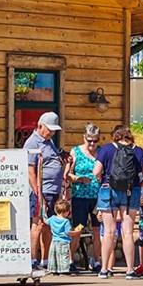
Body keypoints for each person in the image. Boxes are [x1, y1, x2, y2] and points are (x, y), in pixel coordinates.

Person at [97, 125, 143, 278]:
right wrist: (137, 186)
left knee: (109, 232)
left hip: (108, 190)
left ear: (116, 136)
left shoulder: (106, 149)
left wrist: (104, 181)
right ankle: (130, 270)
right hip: (130, 192)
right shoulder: (138, 151)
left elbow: (96, 171)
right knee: (127, 232)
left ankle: (104, 269)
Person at [24, 112, 64, 271]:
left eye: (54, 130)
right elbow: (30, 170)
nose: (52, 133)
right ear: (40, 126)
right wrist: (37, 192)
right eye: (50, 129)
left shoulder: (49, 142)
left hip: (53, 190)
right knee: (38, 224)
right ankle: (32, 259)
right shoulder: (32, 143)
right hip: (41, 190)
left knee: (47, 225)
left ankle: (45, 260)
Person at [68, 125, 103, 270]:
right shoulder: (76, 151)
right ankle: (69, 260)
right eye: (90, 141)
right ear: (84, 138)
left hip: (97, 197)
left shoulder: (101, 153)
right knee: (78, 228)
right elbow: (68, 173)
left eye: (95, 141)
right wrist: (77, 179)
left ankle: (97, 260)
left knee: (97, 229)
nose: (92, 144)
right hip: (80, 196)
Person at [46, 196, 79, 274]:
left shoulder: (52, 218)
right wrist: (77, 232)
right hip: (64, 241)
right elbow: (68, 232)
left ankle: (53, 269)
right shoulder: (66, 221)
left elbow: (46, 222)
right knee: (64, 256)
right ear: (66, 212)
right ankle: (64, 270)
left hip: (54, 241)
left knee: (54, 256)